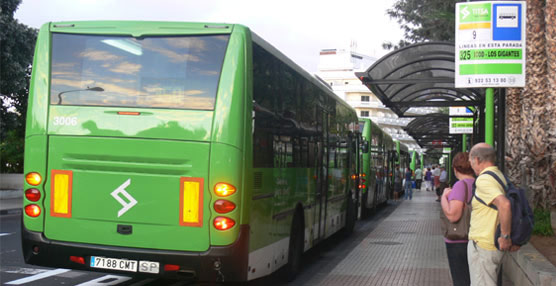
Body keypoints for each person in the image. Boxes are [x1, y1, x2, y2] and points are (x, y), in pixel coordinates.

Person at [467, 143, 518, 286]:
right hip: (490, 245)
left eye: (471, 161)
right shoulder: (498, 175)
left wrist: (505, 236)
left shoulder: (484, 180)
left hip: (484, 246)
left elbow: (504, 204)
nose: (471, 165)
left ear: (477, 160)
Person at [441, 152, 475, 286]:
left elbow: (453, 215)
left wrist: (444, 197)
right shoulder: (477, 183)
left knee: (461, 279)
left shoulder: (460, 186)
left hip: (458, 240)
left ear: (455, 169)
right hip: (474, 237)